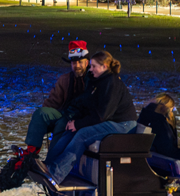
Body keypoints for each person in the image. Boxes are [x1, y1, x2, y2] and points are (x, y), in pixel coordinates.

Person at [45, 50, 138, 182]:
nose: (91, 69)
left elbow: (102, 115)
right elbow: (88, 105)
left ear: (104, 67)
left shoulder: (111, 83)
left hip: (122, 124)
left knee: (83, 134)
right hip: (109, 120)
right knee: (70, 131)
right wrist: (74, 122)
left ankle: (57, 174)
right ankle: (47, 165)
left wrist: (79, 124)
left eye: (94, 66)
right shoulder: (97, 81)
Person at [8, 40, 91, 167]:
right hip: (63, 113)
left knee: (62, 124)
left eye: (80, 62)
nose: (77, 65)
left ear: (87, 62)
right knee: (41, 114)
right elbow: (52, 102)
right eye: (74, 63)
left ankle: (52, 161)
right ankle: (31, 152)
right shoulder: (64, 80)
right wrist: (43, 124)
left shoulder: (93, 79)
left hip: (81, 118)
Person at [137, 93, 178, 157]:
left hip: (145, 158)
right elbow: (167, 149)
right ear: (169, 108)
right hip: (160, 161)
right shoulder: (162, 123)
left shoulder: (144, 116)